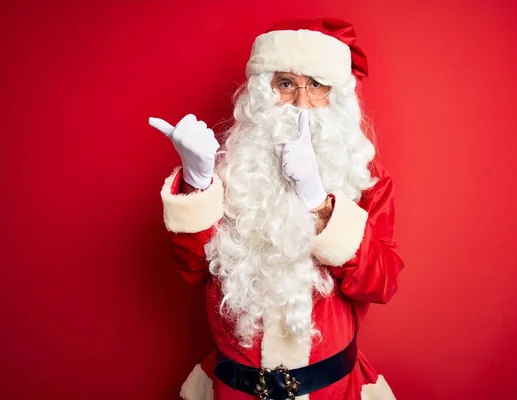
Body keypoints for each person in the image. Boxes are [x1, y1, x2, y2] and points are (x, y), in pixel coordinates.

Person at [149, 17, 404, 400]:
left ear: (336, 96)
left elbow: (381, 283)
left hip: (331, 391)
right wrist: (198, 181)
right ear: (260, 93)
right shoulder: (232, 168)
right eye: (285, 84)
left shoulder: (365, 178)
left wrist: (319, 202)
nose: (301, 104)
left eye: (315, 85)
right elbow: (193, 270)